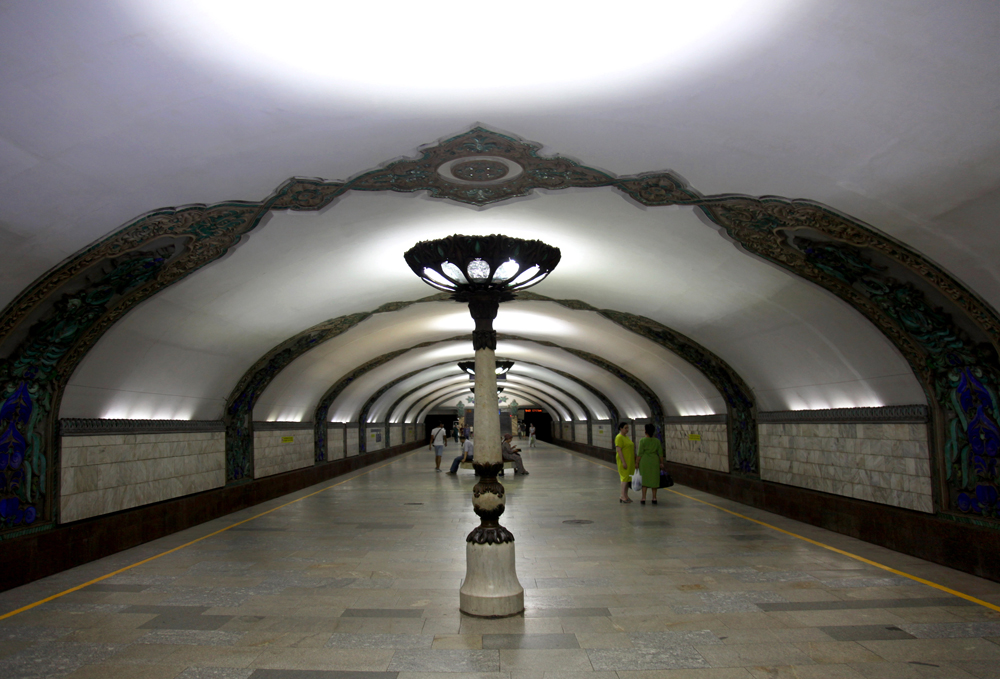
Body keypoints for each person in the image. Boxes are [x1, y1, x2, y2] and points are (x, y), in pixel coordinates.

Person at [635, 423, 665, 504]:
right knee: (654, 479)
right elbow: (660, 453)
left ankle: (643, 498)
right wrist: (661, 463)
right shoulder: (657, 441)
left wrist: (637, 463)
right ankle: (654, 498)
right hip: (654, 461)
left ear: (645, 431)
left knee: (644, 480)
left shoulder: (643, 441)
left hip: (644, 462)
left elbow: (640, 453)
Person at [615, 422, 635, 503]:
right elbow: (619, 450)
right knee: (624, 478)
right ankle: (622, 496)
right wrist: (623, 462)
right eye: (625, 428)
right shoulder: (619, 437)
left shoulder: (626, 437)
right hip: (624, 461)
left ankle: (626, 495)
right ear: (621, 428)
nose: (627, 430)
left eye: (628, 428)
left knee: (628, 479)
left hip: (630, 460)